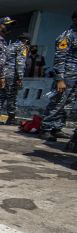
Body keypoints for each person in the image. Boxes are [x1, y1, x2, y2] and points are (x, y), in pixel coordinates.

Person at [40, 11, 77, 144]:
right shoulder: (66, 36)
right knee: (57, 102)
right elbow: (60, 58)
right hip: (65, 76)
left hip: (75, 78)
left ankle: (57, 128)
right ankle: (46, 128)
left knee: (67, 104)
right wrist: (60, 79)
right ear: (75, 20)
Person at [0, 32, 30, 125]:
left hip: (2, 74)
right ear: (26, 41)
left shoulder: (9, 46)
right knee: (11, 97)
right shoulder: (22, 47)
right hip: (12, 75)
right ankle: (11, 118)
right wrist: (20, 77)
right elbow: (20, 63)